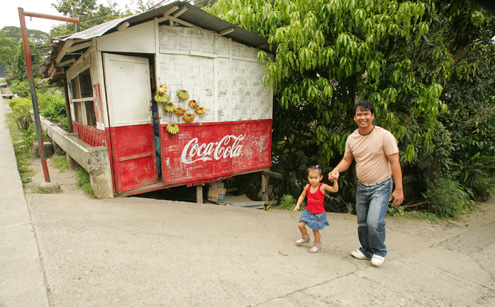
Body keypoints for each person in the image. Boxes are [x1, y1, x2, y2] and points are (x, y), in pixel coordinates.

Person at [328, 100, 404, 266]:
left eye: (366, 114)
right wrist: (336, 170)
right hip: (362, 186)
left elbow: (394, 162)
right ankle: (366, 250)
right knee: (362, 223)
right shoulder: (352, 138)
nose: (362, 117)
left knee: (374, 222)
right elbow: (347, 160)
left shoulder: (384, 136)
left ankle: (379, 251)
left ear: (372, 116)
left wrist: (399, 189)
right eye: (359, 114)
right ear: (354, 118)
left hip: (382, 185)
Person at [293, 165, 339, 253]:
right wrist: (298, 204)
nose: (313, 180)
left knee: (315, 230)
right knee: (300, 225)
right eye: (311, 177)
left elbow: (334, 189)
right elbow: (302, 195)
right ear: (308, 177)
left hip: (318, 214)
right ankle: (305, 237)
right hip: (308, 212)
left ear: (321, 177)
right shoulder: (307, 187)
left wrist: (335, 181)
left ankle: (317, 245)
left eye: (315, 178)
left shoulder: (322, 186)